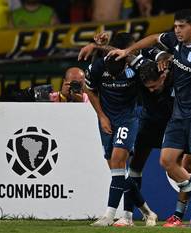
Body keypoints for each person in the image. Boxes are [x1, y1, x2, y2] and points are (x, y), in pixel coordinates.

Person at [108, 9, 191, 227]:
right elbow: (153, 38)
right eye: (176, 26)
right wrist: (128, 50)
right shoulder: (174, 43)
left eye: (182, 27)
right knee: (167, 161)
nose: (177, 31)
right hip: (179, 114)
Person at [83, 32, 157, 227]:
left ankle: (109, 215)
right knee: (118, 174)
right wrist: (101, 116)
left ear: (126, 61)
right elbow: (89, 88)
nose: (114, 76)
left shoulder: (136, 65)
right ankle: (147, 211)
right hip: (107, 120)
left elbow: (153, 76)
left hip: (128, 119)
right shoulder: (98, 66)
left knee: (117, 162)